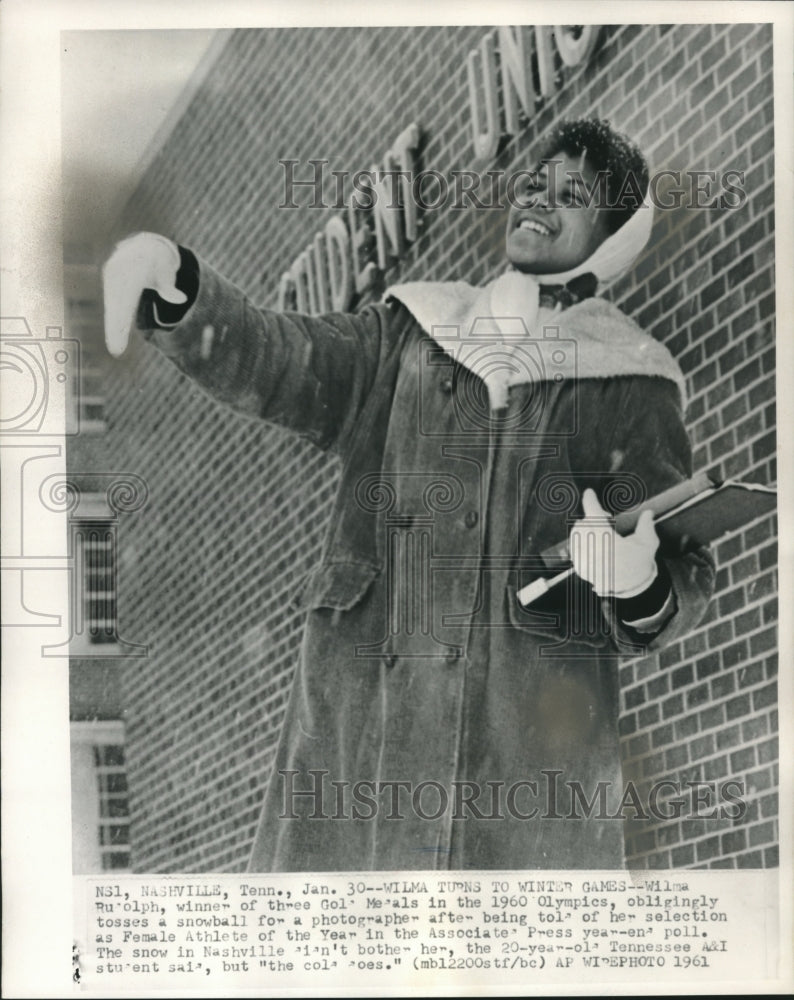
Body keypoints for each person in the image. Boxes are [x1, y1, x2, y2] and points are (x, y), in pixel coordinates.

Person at [103, 117, 715, 872]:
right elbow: (281, 358)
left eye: (573, 194)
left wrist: (639, 583)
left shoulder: (630, 383)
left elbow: (681, 562)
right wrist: (179, 287)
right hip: (362, 756)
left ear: (612, 235)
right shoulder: (412, 334)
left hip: (521, 783)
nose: (539, 199)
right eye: (535, 182)